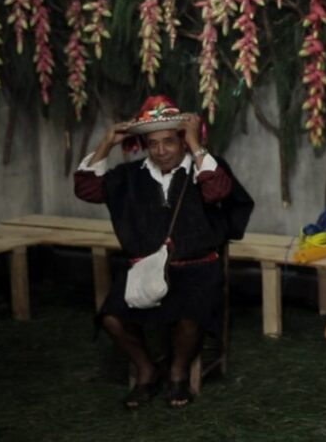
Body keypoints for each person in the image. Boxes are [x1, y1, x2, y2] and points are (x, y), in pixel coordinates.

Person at [74, 96, 253, 409]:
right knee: (111, 317)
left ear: (181, 141)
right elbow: (87, 189)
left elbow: (217, 191)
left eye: (169, 142)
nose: (161, 151)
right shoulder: (130, 176)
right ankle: (146, 371)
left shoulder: (206, 169)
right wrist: (107, 142)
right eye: (153, 144)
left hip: (197, 267)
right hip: (146, 268)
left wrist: (196, 144)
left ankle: (178, 373)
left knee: (190, 313)